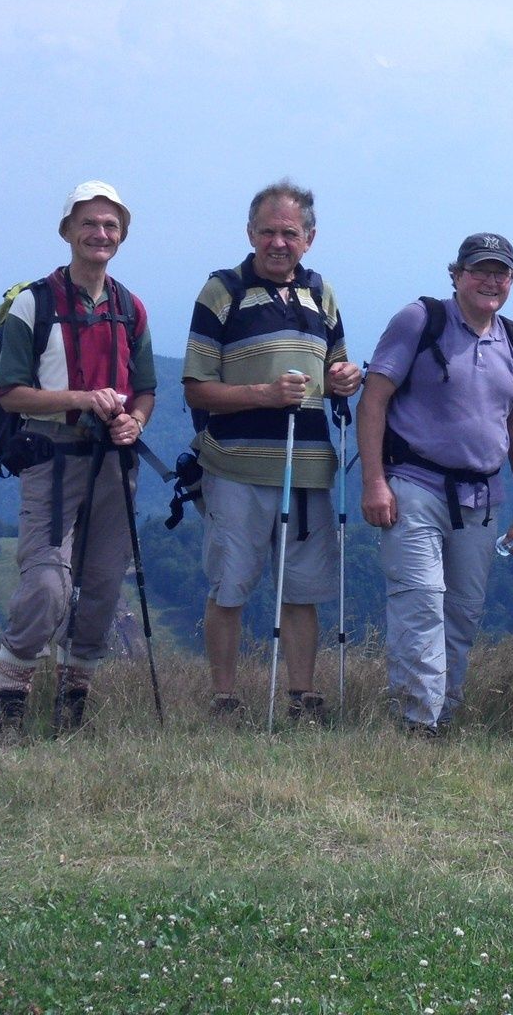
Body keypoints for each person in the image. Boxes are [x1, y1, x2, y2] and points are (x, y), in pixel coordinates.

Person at [183, 180, 362, 722]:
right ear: (249, 233)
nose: (278, 243)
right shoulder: (222, 291)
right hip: (235, 468)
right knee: (230, 586)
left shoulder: (321, 294)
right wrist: (264, 394)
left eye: (289, 233)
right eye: (267, 232)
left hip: (307, 470)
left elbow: (334, 369)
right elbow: (196, 388)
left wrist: (344, 378)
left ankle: (301, 698)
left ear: (309, 238)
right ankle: (225, 699)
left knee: (302, 591)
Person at [0, 182, 156, 735]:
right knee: (46, 582)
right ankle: (10, 699)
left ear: (122, 236)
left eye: (110, 225)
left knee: (103, 583)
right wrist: (83, 399)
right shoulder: (34, 304)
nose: (100, 233)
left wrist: (136, 421)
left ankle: (72, 707)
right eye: (89, 223)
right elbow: (9, 393)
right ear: (66, 231)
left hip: (114, 463)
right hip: (52, 456)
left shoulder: (130, 308)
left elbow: (146, 390)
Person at [358, 234, 513, 737]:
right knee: (420, 603)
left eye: (501, 273)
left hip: (481, 497)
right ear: (456, 275)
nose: (490, 281)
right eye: (479, 270)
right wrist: (374, 482)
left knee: (462, 613)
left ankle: (443, 715)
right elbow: (373, 398)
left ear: (512, 280)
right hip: (414, 485)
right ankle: (418, 723)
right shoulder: (420, 320)